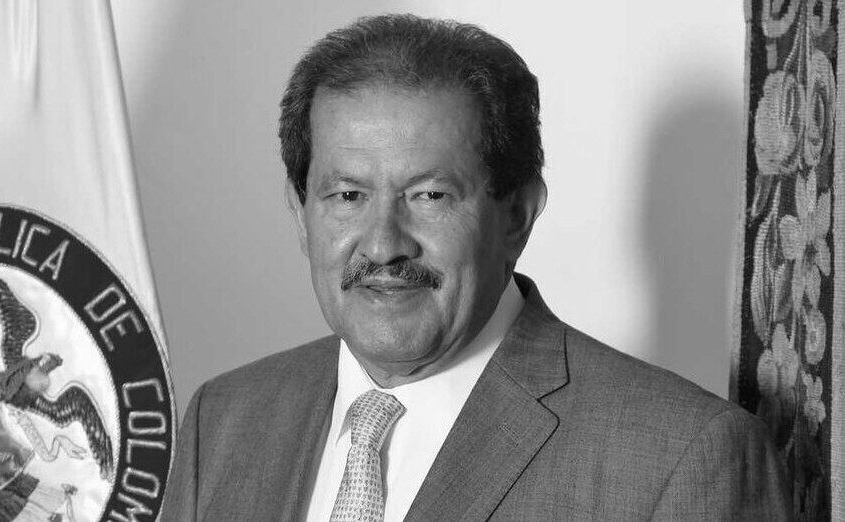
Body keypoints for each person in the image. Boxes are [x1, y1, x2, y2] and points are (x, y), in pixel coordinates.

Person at [164, 13, 790, 520]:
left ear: (517, 215)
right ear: (301, 214)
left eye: (429, 196)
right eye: (348, 195)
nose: (382, 246)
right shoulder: (223, 421)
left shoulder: (681, 460)